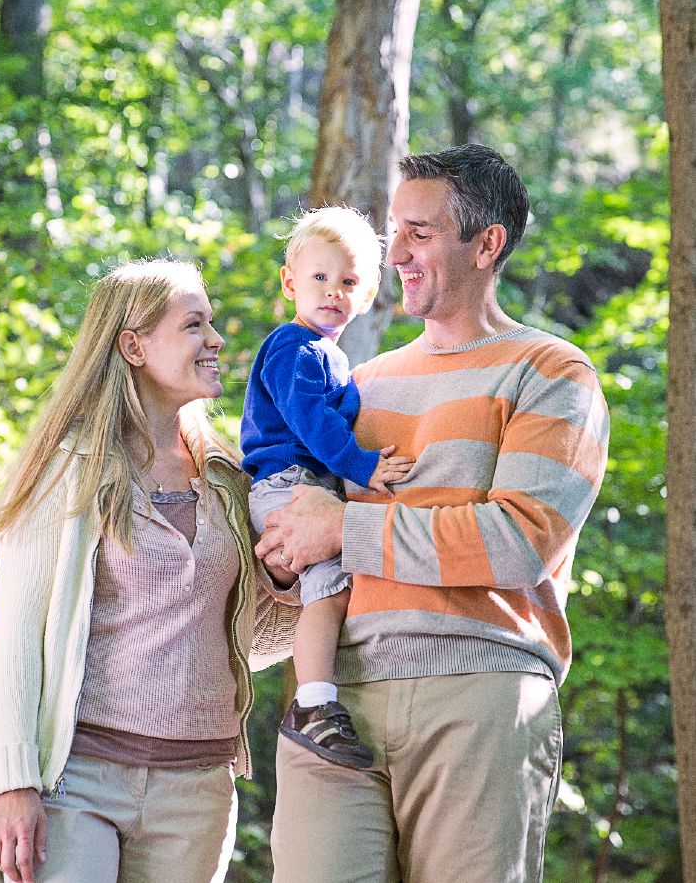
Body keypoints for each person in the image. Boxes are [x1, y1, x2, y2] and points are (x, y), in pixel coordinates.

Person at [256, 144, 610, 883]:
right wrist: (286, 550)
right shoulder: (361, 383)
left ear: (488, 244)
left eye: (422, 232)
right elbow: (303, 533)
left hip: (477, 695)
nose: (398, 253)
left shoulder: (549, 372)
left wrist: (340, 528)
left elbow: (519, 543)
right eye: (397, 230)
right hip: (333, 705)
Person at [0, 259, 299, 883]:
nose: (216, 340)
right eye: (194, 325)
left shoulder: (228, 479)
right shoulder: (67, 470)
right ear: (133, 345)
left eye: (211, 324)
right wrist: (11, 782)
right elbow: (17, 634)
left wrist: (283, 587)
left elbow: (244, 643)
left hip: (201, 787)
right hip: (79, 778)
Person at [241, 206, 414, 770]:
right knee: (331, 581)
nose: (333, 292)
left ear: (366, 296)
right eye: (318, 277)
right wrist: (363, 468)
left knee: (335, 582)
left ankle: (319, 694)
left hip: (305, 487)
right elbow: (313, 423)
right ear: (290, 281)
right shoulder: (296, 349)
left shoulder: (332, 355)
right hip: (286, 485)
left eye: (348, 282)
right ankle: (314, 702)